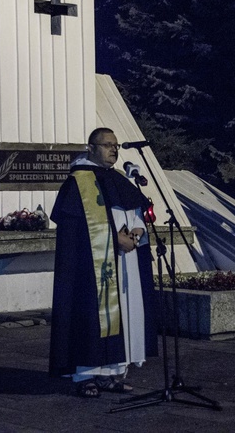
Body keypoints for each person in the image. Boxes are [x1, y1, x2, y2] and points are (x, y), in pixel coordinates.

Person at [49, 127, 158, 398]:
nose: (113, 150)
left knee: (123, 315)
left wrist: (138, 231)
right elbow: (77, 231)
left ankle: (112, 373)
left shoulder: (120, 178)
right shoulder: (78, 183)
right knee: (88, 317)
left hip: (126, 264)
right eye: (107, 145)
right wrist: (114, 239)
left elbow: (134, 212)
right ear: (91, 148)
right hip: (91, 268)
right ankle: (85, 375)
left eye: (116, 146)